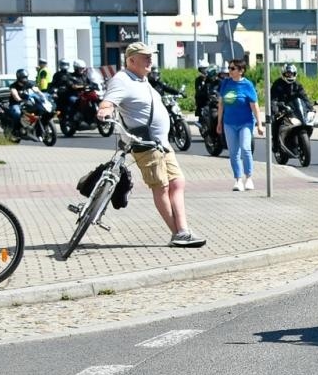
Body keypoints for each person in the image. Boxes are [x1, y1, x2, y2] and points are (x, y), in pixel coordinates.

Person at [96, 41, 206, 247]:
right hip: (145, 143)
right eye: (145, 57)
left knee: (177, 182)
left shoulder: (142, 79)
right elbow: (108, 101)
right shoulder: (122, 80)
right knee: (161, 186)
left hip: (161, 143)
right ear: (131, 60)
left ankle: (183, 230)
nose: (150, 60)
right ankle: (179, 233)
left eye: (150, 56)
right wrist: (105, 109)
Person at [216, 58, 263, 191]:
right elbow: (221, 104)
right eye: (229, 68)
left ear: (241, 71)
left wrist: (259, 124)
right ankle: (238, 180)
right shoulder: (225, 84)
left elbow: (254, 106)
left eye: (232, 69)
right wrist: (219, 122)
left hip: (245, 123)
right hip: (229, 123)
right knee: (233, 152)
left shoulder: (247, 85)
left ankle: (248, 177)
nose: (229, 71)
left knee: (245, 148)